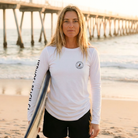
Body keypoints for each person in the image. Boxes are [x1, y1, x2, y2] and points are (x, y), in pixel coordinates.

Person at [28, 5, 101, 138]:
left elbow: (96, 87)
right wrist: (32, 118)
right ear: (60, 24)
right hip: (54, 114)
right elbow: (36, 85)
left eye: (75, 21)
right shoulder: (49, 52)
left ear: (81, 24)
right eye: (66, 21)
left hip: (81, 113)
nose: (71, 25)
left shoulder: (91, 53)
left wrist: (96, 120)